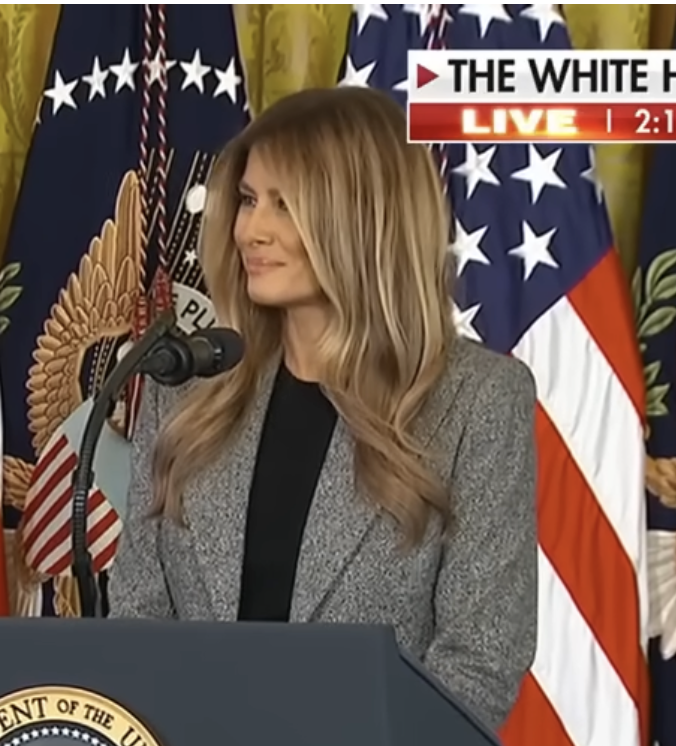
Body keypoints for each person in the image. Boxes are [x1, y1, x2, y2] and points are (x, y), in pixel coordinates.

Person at [109, 85, 537, 731]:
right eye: (248, 200)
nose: (251, 230)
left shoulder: (479, 400)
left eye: (285, 204)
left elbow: (478, 665)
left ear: (365, 218)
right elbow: (138, 625)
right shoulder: (188, 388)